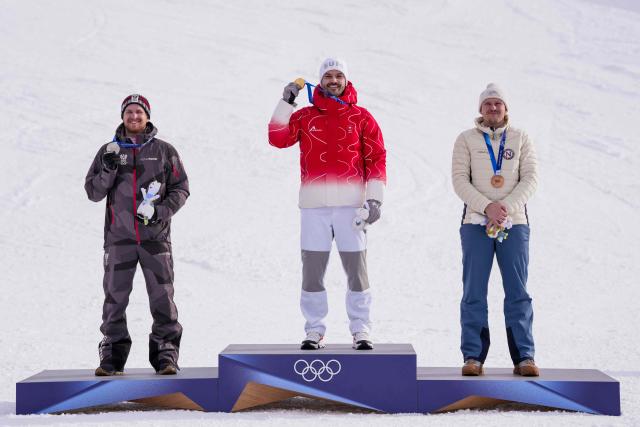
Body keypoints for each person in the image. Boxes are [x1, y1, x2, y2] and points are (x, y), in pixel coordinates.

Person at [268, 58, 387, 350]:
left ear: (346, 80)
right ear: (320, 81)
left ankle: (361, 329)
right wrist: (286, 103)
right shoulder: (305, 117)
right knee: (313, 272)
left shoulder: (362, 117)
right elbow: (277, 138)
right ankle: (314, 329)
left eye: (338, 75)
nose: (333, 80)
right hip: (314, 207)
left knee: (356, 271)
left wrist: (374, 199)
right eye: (328, 76)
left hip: (351, 208)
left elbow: (376, 159)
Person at [85, 94, 189, 375]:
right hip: (119, 239)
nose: (134, 117)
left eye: (139, 112)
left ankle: (166, 355)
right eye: (129, 112)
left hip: (155, 239)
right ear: (122, 116)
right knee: (114, 299)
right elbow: (93, 192)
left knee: (162, 298)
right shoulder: (109, 150)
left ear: (147, 116)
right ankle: (111, 357)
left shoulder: (165, 151)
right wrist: (107, 169)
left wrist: (160, 212)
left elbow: (181, 188)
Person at [451, 83, 539, 376]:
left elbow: (530, 179)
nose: (493, 108)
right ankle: (473, 357)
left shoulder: (521, 138)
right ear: (480, 109)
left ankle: (524, 356)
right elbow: (460, 180)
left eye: (497, 104)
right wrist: (487, 207)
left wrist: (504, 209)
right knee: (474, 291)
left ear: (505, 109)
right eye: (487, 104)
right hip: (475, 223)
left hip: (514, 224)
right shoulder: (466, 140)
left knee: (518, 290)